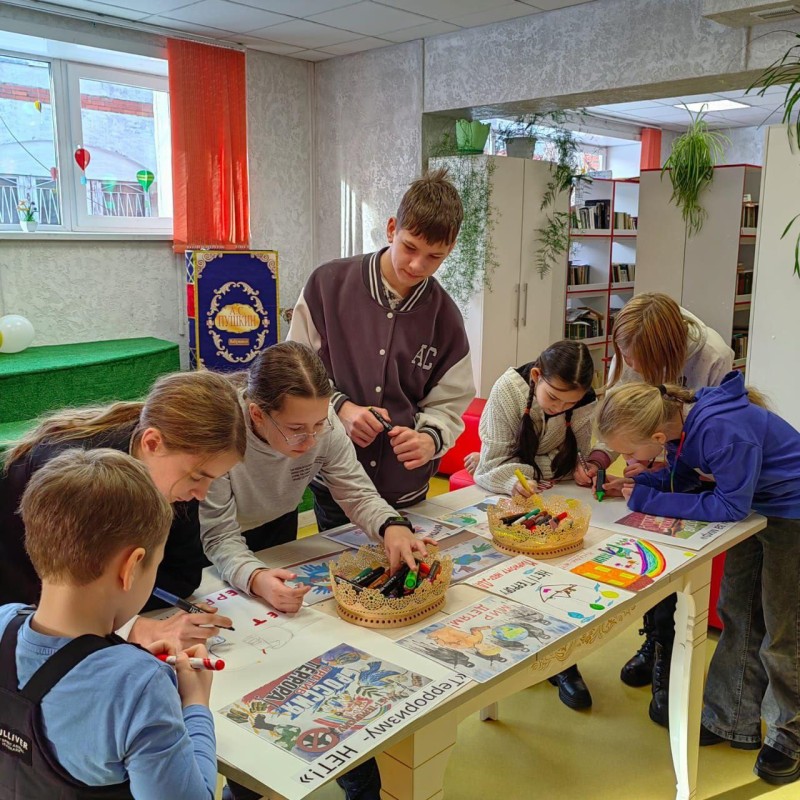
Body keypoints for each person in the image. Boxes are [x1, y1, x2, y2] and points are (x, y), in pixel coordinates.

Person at [200, 341, 431, 800]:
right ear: (257, 414)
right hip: (218, 556)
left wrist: (391, 526)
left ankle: (358, 777)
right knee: (255, 683)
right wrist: (255, 578)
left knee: (319, 662)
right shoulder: (221, 435)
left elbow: (356, 491)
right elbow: (220, 539)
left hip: (278, 534)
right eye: (296, 430)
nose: (311, 440)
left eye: (319, 425)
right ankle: (246, 787)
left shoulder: (320, 427)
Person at [595, 373, 800, 786]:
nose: (626, 459)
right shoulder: (682, 425)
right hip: (758, 509)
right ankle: (730, 716)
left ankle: (789, 734)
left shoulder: (722, 430)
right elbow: (687, 478)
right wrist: (639, 481)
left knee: (784, 629)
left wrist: (648, 498)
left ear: (656, 436)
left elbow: (729, 505)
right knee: (737, 611)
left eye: (629, 453)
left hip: (791, 513)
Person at [0, 448, 218, 797]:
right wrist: (195, 703)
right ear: (131, 567)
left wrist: (122, 657)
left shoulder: (4, 620)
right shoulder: (141, 687)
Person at [1, 370, 246, 648]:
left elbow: (183, 576)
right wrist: (132, 626)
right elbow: (58, 592)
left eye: (212, 479)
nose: (201, 494)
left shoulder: (175, 481)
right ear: (152, 443)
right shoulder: (78, 477)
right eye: (198, 476)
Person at [287, 168, 475, 526]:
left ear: (450, 250)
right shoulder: (328, 285)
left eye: (434, 256)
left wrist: (430, 439)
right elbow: (294, 373)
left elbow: (450, 401)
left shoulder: (446, 317)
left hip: (405, 487)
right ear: (392, 229)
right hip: (337, 481)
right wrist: (340, 408)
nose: (417, 265)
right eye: (410, 247)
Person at [582, 292, 733, 725]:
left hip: (695, 472)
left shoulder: (713, 357)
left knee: (676, 561)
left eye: (638, 360)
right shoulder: (633, 340)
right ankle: (654, 639)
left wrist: (656, 466)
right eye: (626, 356)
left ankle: (669, 656)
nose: (631, 365)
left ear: (665, 354)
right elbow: (621, 411)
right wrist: (604, 458)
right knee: (646, 549)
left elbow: (705, 437)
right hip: (657, 457)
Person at [471, 339, 597, 711]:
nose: (560, 408)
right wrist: (535, 469)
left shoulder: (584, 401)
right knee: (514, 574)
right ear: (536, 376)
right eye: (553, 398)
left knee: (565, 574)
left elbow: (576, 458)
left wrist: (580, 467)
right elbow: (492, 467)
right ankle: (517, 650)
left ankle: (563, 661)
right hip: (506, 501)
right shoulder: (508, 390)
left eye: (570, 403)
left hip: (555, 496)